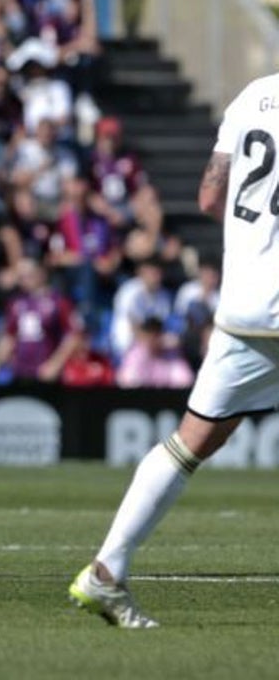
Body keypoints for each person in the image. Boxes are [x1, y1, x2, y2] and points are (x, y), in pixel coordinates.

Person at [68, 69, 279, 628]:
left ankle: (106, 573)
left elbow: (210, 196)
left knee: (194, 440)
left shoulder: (251, 95)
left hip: (242, 303)